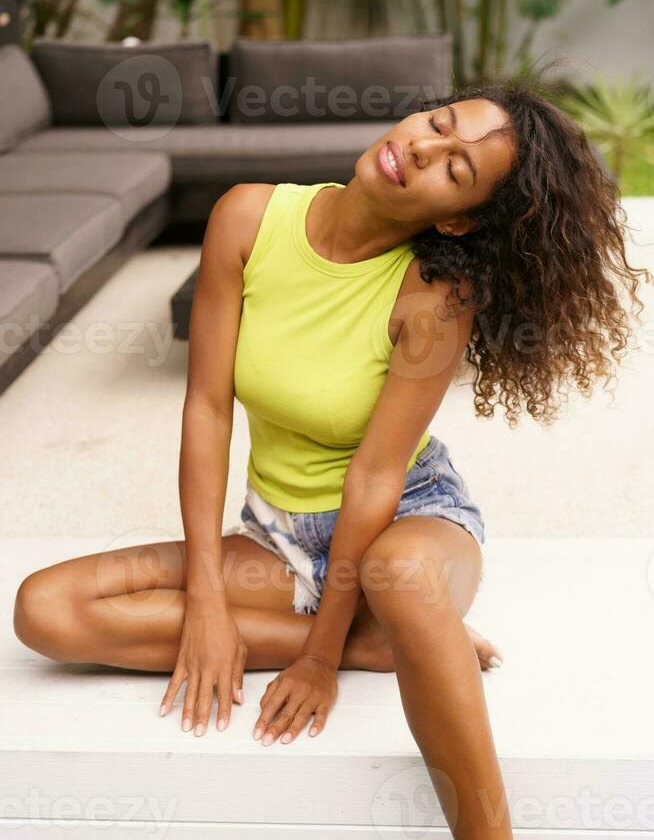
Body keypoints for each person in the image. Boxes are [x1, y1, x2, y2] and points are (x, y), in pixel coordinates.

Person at [13, 78, 650, 840]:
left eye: (452, 169)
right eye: (438, 124)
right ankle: (377, 645)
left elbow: (376, 476)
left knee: (400, 574)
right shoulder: (247, 217)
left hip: (408, 518)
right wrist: (209, 606)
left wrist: (317, 660)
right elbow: (207, 411)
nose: (419, 147)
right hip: (277, 540)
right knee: (45, 608)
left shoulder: (434, 293)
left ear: (457, 218)